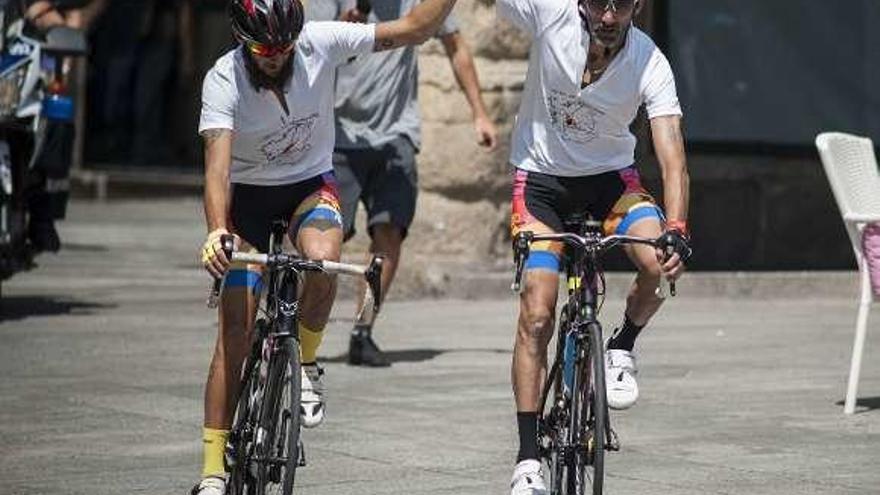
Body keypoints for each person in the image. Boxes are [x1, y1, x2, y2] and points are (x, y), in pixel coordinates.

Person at [193, 0, 459, 493]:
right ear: (242, 41)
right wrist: (217, 231)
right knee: (234, 330)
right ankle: (212, 468)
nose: (274, 58)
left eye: (282, 47)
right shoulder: (223, 79)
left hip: (308, 186)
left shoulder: (321, 40)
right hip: (247, 197)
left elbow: (415, 27)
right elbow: (217, 170)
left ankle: (308, 363)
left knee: (321, 262)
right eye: (262, 50)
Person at [496, 0, 692, 492]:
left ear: (637, 6)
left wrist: (678, 226)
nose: (608, 15)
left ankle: (622, 345)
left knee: (659, 260)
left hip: (612, 184)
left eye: (621, 4)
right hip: (541, 185)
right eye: (598, 2)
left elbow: (671, 155)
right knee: (537, 314)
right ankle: (527, 460)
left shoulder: (650, 59)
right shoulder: (549, 15)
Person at [306, 0, 498, 367]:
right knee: (323, 243)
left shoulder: (420, 4)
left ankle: (363, 329)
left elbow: (456, 46)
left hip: (396, 135)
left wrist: (480, 113)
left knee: (389, 232)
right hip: (337, 136)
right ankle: (301, 331)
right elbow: (301, 52)